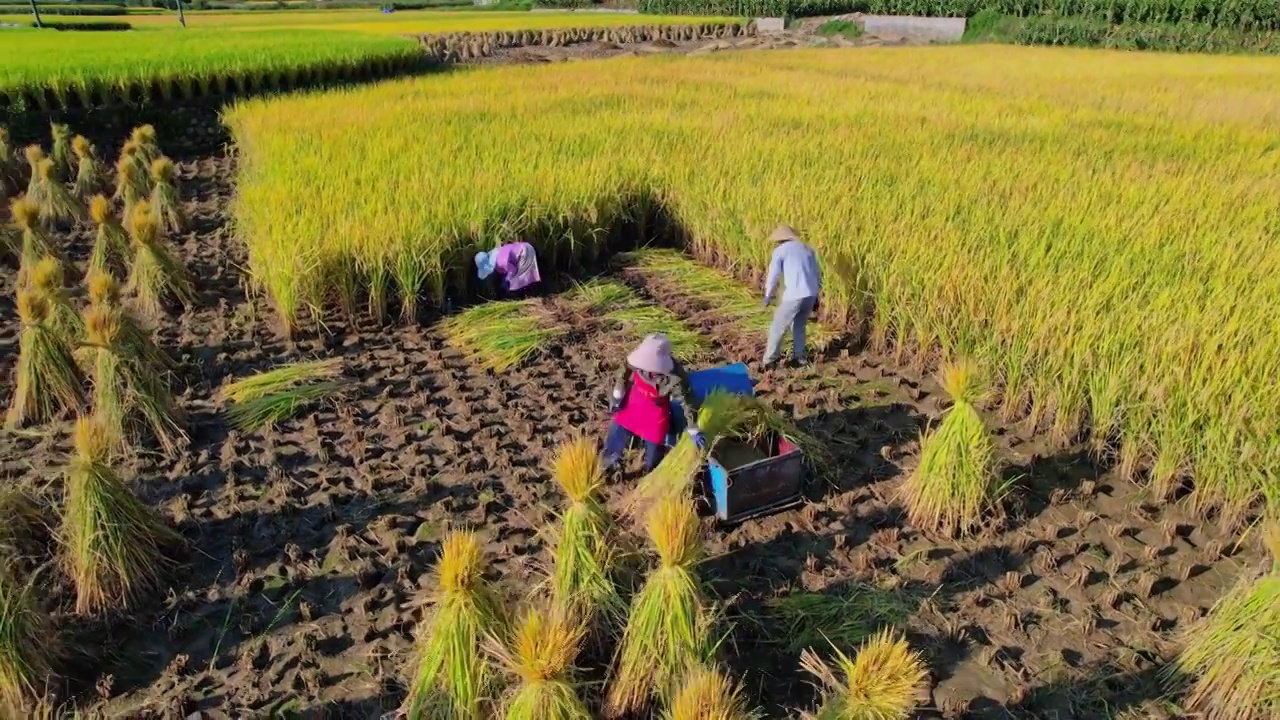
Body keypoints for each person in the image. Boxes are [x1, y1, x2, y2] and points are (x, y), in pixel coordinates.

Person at [603, 333, 707, 473]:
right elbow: (624, 374)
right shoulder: (635, 361)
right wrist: (617, 395)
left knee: (654, 451)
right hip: (634, 401)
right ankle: (608, 466)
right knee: (617, 432)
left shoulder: (675, 378)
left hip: (656, 411)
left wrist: (693, 429)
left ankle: (650, 473)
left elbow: (687, 403)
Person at [761, 224, 821, 369]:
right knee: (799, 324)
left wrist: (768, 295)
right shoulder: (808, 249)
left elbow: (773, 275)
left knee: (778, 326)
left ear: (780, 239)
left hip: (794, 294)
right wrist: (817, 295)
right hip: (810, 294)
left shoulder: (780, 251)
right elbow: (817, 273)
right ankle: (799, 357)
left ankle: (770, 360)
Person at [475, 241, 541, 298]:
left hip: (523, 252)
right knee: (524, 276)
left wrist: (508, 283)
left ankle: (532, 294)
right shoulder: (499, 252)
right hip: (527, 247)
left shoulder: (499, 262)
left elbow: (511, 269)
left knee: (517, 282)